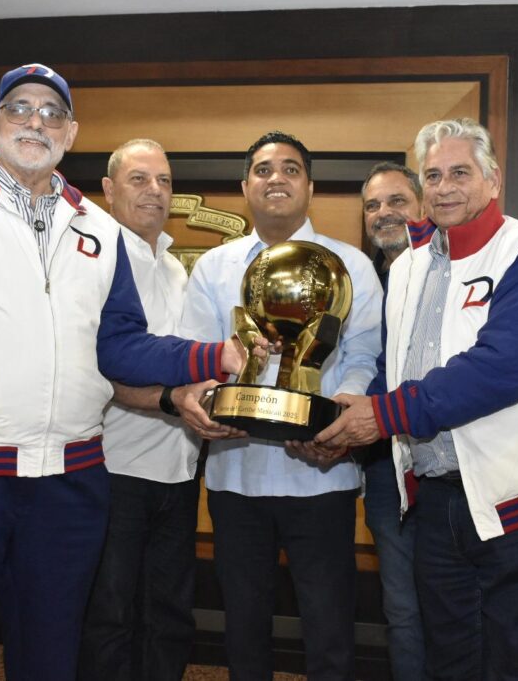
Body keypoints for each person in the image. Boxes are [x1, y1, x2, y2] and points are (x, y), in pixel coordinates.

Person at [0, 64, 255, 681]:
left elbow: (120, 346)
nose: (36, 121)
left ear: (72, 131)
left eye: (52, 112)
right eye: (21, 107)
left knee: (51, 657)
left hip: (70, 482)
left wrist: (212, 356)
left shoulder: (99, 229)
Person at [312, 118, 518, 680]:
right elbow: (397, 372)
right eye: (432, 175)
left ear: (493, 180)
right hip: (434, 503)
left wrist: (381, 417)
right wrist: (338, 424)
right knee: (449, 661)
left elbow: (501, 369)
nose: (444, 186)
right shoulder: (407, 265)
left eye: (460, 172)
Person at [179, 131, 383, 680]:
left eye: (290, 169)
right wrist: (201, 398)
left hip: (321, 471)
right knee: (243, 628)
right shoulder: (214, 269)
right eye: (264, 169)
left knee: (330, 626)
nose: (277, 178)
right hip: (235, 473)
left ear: (309, 186)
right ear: (245, 186)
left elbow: (364, 354)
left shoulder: (351, 266)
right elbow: (195, 358)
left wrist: (344, 410)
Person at [78, 139, 238, 680]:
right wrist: (172, 399)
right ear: (108, 190)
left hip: (179, 468)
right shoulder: (93, 262)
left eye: (164, 181)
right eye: (139, 179)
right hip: (113, 467)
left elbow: (187, 368)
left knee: (169, 614)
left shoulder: (174, 267)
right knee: (109, 615)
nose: (155, 191)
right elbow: (99, 368)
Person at [357, 162, 426, 680]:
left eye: (397, 201)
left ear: (423, 207)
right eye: (373, 205)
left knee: (458, 604)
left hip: (451, 465)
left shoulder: (455, 270)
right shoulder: (359, 284)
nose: (385, 213)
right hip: (384, 471)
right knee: (402, 610)